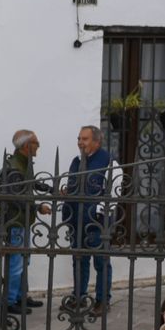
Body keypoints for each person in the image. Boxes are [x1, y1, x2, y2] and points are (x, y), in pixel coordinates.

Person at [0, 130, 51, 315]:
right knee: (16, 263)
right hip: (15, 223)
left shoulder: (23, 164)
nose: (39, 146)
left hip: (23, 222)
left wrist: (52, 189)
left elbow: (32, 184)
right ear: (26, 146)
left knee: (24, 261)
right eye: (36, 143)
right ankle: (10, 301)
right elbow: (14, 197)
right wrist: (37, 208)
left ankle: (21, 296)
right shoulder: (14, 167)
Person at [63, 125, 113, 313]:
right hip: (76, 219)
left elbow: (114, 193)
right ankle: (79, 297)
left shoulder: (108, 161)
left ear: (96, 142)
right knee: (79, 260)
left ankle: (102, 300)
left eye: (84, 139)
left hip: (97, 222)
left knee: (101, 262)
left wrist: (100, 215)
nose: (80, 143)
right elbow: (72, 185)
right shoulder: (76, 161)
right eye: (79, 139)